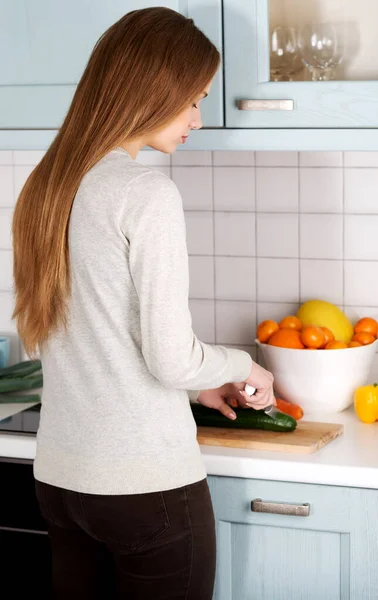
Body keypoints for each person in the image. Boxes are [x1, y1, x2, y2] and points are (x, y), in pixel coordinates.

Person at [12, 7, 275, 600]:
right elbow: (170, 357)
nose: (198, 121)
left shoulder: (47, 186)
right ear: (152, 90)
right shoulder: (145, 192)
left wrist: (193, 388)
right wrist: (242, 366)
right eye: (191, 101)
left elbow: (87, 338)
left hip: (61, 484)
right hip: (147, 490)